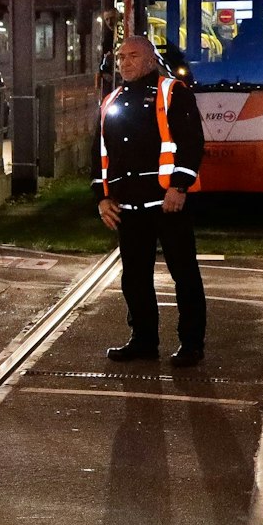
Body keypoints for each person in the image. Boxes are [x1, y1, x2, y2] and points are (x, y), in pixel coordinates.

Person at [94, 35, 207, 367]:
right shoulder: (110, 100)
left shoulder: (173, 93)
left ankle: (191, 344)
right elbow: (98, 153)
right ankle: (143, 340)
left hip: (168, 203)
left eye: (132, 56)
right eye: (120, 57)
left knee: (183, 273)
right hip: (127, 206)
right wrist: (102, 198)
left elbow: (191, 142)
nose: (124, 63)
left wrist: (179, 186)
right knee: (134, 277)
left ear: (149, 60)